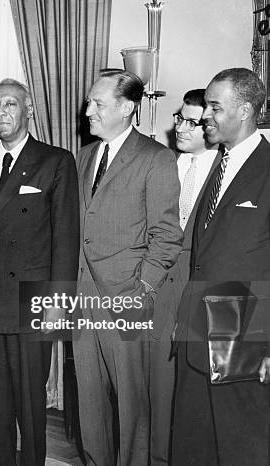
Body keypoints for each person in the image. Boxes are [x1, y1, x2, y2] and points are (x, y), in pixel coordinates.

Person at [0, 78, 79, 465]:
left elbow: (65, 238)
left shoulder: (55, 161)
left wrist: (59, 300)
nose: (1, 113)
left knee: (30, 403)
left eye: (10, 104)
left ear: (28, 110)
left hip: (34, 299)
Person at [73, 69, 182, 465]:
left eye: (97, 104)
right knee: (90, 407)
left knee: (132, 409)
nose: (88, 111)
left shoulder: (156, 158)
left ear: (127, 107)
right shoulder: (83, 157)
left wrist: (143, 292)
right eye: (90, 102)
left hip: (127, 302)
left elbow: (167, 235)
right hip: (84, 303)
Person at [172, 68, 270, 466]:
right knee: (194, 444)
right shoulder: (218, 166)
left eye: (215, 106)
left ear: (245, 110)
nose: (205, 115)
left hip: (246, 338)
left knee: (241, 444)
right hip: (197, 331)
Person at [148, 89, 219, 465]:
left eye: (192, 122)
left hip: (201, 297)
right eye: (179, 118)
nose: (181, 127)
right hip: (158, 293)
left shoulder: (223, 172)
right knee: (158, 388)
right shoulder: (163, 164)